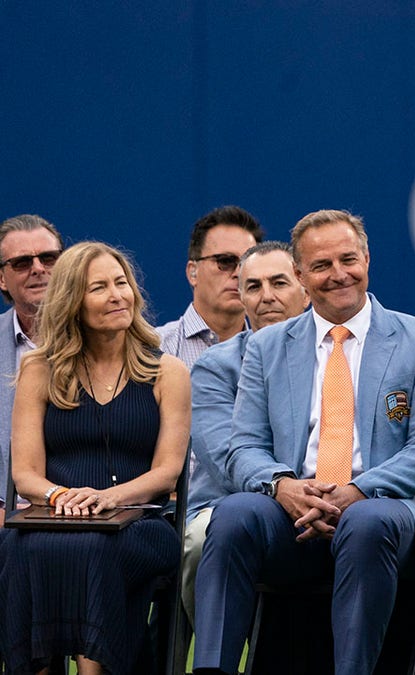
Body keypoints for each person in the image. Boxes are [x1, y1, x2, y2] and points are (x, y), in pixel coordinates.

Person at [191, 210, 415, 675]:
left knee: (367, 520)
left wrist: (357, 492)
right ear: (300, 275)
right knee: (233, 515)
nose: (339, 274)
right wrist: (282, 487)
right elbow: (244, 448)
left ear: (367, 259)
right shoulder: (267, 346)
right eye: (321, 266)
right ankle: (213, 669)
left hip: (388, 511)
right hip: (292, 511)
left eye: (348, 259)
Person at [0, 242, 190, 675]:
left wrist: (108, 498)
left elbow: (166, 473)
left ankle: (95, 670)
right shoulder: (39, 369)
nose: (117, 295)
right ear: (72, 303)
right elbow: (25, 474)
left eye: (121, 283)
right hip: (52, 517)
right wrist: (63, 496)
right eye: (99, 288)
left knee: (94, 550)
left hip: (139, 520)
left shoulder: (168, 372)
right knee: (15, 549)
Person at [182, 241, 309, 623]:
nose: (266, 297)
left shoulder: (335, 353)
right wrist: (290, 491)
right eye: (253, 287)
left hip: (313, 503)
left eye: (279, 283)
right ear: (241, 297)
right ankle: (206, 653)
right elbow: (226, 462)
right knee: (200, 540)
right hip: (222, 504)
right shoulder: (214, 367)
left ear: (305, 289)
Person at [0, 214, 64, 517]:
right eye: (22, 263)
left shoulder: (107, 339)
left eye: (49, 258)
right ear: (2, 278)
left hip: (85, 511)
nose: (38, 269)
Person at [156, 205, 264, 368]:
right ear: (193, 273)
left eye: (248, 264)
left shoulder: (269, 349)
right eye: (225, 261)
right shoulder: (155, 348)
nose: (238, 273)